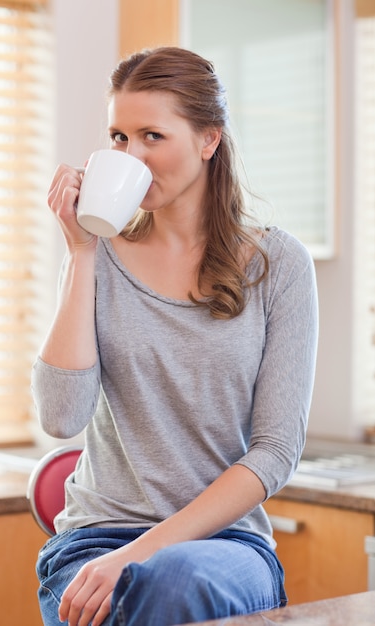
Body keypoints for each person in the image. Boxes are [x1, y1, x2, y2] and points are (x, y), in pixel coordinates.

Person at [32, 46, 319, 626]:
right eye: (118, 137)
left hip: (225, 546)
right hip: (95, 543)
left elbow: (276, 452)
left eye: (151, 137)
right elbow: (62, 417)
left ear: (209, 140)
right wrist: (83, 250)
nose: (129, 155)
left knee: (170, 584)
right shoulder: (97, 259)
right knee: (147, 594)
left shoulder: (279, 264)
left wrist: (142, 554)